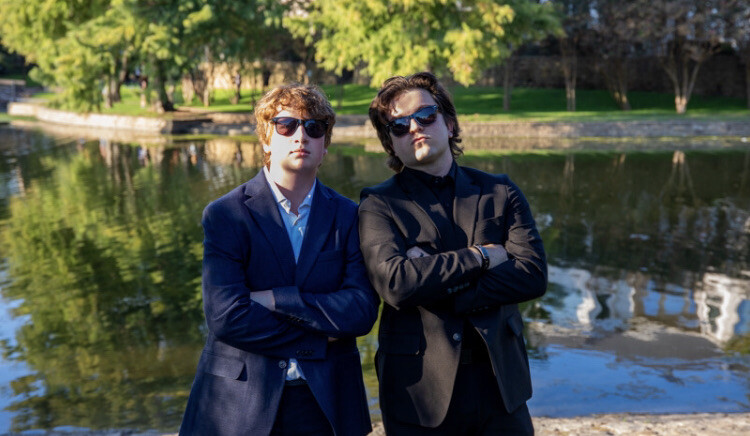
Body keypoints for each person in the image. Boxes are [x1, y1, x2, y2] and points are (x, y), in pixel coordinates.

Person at [180, 83, 379, 436]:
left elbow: (360, 310)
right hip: (239, 404)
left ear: (325, 146)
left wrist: (275, 299)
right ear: (266, 139)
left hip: (328, 401)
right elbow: (226, 316)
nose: (301, 135)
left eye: (314, 127)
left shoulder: (349, 215)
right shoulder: (226, 215)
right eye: (286, 125)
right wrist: (317, 340)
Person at [358, 72, 547, 435]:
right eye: (399, 125)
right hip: (420, 393)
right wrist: (482, 257)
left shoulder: (501, 191)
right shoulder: (378, 204)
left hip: (501, 386)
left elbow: (532, 275)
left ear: (449, 123)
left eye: (425, 115)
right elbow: (397, 284)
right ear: (390, 143)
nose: (415, 127)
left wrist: (432, 282)